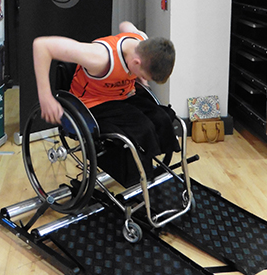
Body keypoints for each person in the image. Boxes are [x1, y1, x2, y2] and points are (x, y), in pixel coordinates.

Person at [32, 21, 180, 175]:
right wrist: (46, 97)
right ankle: (138, 172)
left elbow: (125, 25)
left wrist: (143, 79)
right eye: (142, 74)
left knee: (162, 118)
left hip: (122, 97)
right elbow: (42, 46)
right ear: (137, 62)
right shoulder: (99, 57)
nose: (141, 77)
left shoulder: (142, 41)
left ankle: (147, 169)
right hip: (91, 103)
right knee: (142, 128)